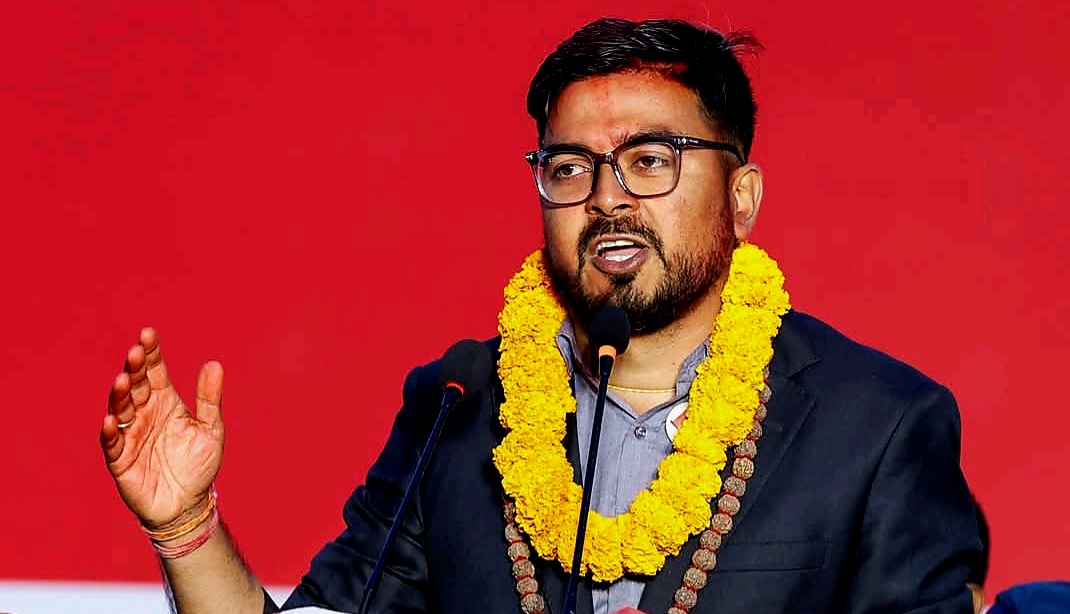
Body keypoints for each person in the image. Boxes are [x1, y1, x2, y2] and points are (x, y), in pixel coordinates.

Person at [100, 17, 984, 614]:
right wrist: (186, 527)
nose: (607, 197)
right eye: (569, 167)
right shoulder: (456, 406)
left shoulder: (879, 427)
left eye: (651, 159)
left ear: (742, 197)